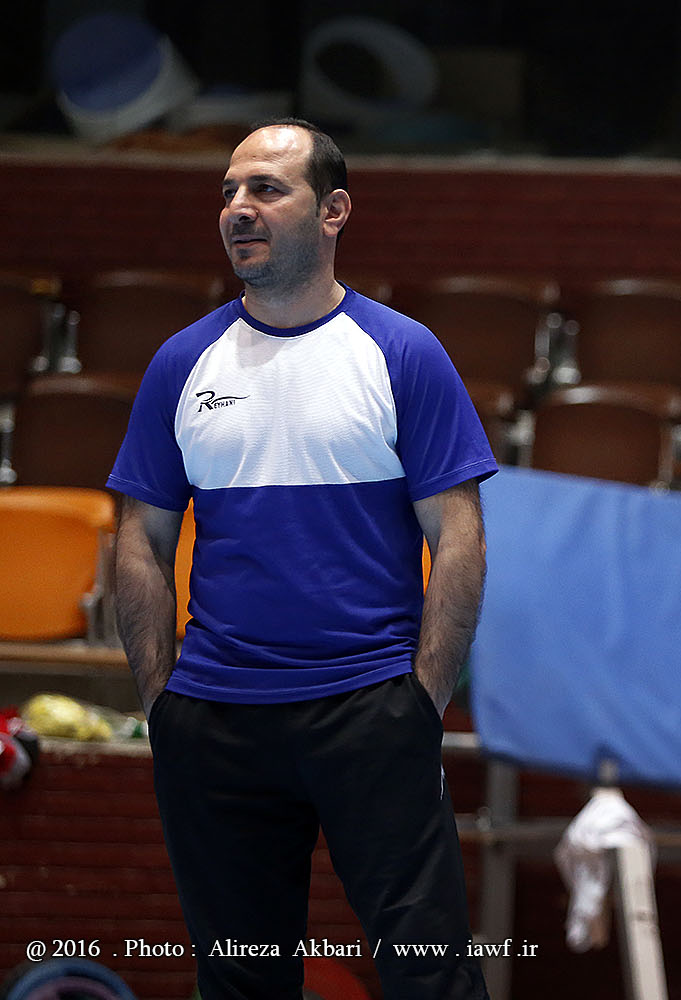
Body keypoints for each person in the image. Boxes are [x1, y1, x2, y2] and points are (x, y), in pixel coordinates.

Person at [108, 119, 496, 1000]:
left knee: (430, 981)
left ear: (334, 210)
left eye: (267, 189)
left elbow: (460, 538)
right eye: (229, 192)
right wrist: (163, 703)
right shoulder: (181, 362)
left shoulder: (402, 353)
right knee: (240, 985)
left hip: (370, 712)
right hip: (215, 721)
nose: (238, 208)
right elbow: (141, 539)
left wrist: (421, 700)